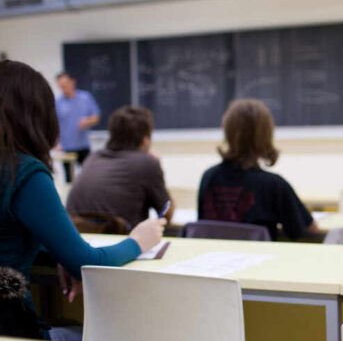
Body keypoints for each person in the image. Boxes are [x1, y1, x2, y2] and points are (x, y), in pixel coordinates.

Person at [0, 60, 165, 340]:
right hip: (14, 336)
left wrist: (58, 252)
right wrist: (138, 241)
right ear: (34, 115)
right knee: (112, 339)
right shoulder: (23, 172)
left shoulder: (92, 157)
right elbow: (87, 262)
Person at [198, 98, 319, 240]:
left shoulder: (209, 177)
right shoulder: (274, 185)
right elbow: (308, 230)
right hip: (261, 260)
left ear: (227, 131)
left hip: (213, 258)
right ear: (267, 135)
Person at [67, 106, 174, 229]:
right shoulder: (147, 162)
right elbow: (167, 215)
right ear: (145, 140)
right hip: (122, 242)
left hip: (81, 240)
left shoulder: (92, 159)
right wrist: (157, 165)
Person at [55, 71, 100, 183]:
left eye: (65, 85)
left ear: (72, 82)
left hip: (83, 145)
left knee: (89, 176)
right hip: (67, 147)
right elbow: (54, 125)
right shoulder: (58, 102)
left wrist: (87, 121)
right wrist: (56, 142)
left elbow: (96, 117)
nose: (64, 88)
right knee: (69, 180)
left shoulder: (85, 97)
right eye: (61, 86)